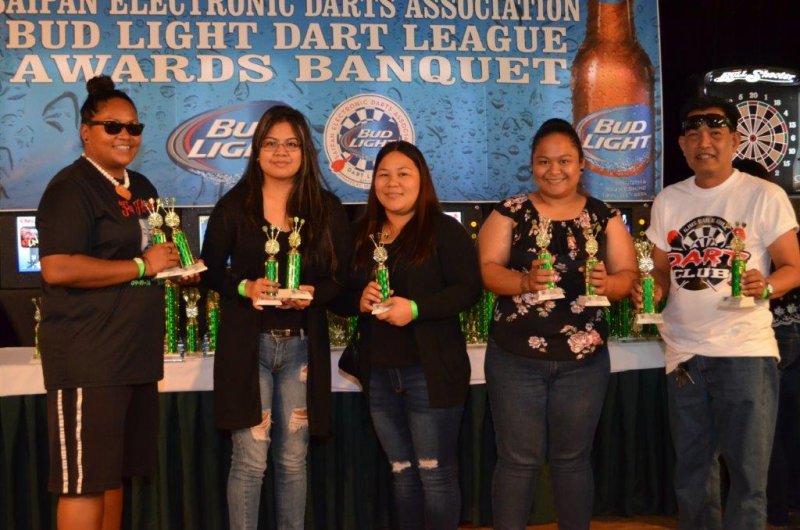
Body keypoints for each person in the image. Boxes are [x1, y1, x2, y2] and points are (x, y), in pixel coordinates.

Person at [635, 95, 800, 529]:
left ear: (736, 140)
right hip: (684, 354)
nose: (703, 142)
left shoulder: (764, 194)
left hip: (744, 351)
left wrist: (767, 285)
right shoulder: (669, 199)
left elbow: (793, 267)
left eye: (715, 132)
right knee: (692, 474)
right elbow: (662, 270)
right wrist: (651, 291)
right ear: (682, 144)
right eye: (693, 134)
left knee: (748, 477)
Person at [36, 76, 182, 530]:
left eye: (133, 128)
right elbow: (58, 268)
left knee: (113, 476)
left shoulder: (141, 185)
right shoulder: (70, 188)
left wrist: (172, 266)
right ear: (86, 131)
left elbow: (152, 255)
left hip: (134, 356)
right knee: (83, 483)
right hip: (89, 359)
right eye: (112, 126)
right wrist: (141, 266)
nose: (125, 135)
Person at [478, 118, 637, 529]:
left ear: (581, 164)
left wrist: (610, 284)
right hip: (515, 359)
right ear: (532, 165)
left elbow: (628, 276)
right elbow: (488, 271)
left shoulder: (605, 216)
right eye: (544, 161)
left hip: (583, 363)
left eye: (564, 160)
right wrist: (524, 282)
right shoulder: (510, 212)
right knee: (518, 461)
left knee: (572, 460)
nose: (554, 170)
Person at [200, 105, 351, 530]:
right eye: (271, 143)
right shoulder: (234, 205)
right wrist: (244, 287)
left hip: (302, 346)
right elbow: (209, 270)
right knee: (250, 460)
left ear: (305, 151)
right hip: (247, 349)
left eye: (291, 144)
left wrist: (314, 294)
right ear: (257, 150)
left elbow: (341, 278)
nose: (281, 152)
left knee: (293, 459)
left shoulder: (326, 208)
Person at [340, 140, 481, 529]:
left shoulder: (445, 231)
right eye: (384, 174)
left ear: (422, 180)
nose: (393, 183)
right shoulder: (360, 235)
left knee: (435, 474)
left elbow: (468, 290)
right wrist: (359, 300)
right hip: (379, 375)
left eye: (403, 173)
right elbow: (338, 294)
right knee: (401, 473)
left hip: (432, 372)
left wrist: (415, 309)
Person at [732, 157, 800, 526]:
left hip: (770, 333)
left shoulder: (754, 227)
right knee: (785, 424)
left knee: (763, 431)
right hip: (789, 331)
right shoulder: (787, 227)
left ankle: (775, 507)